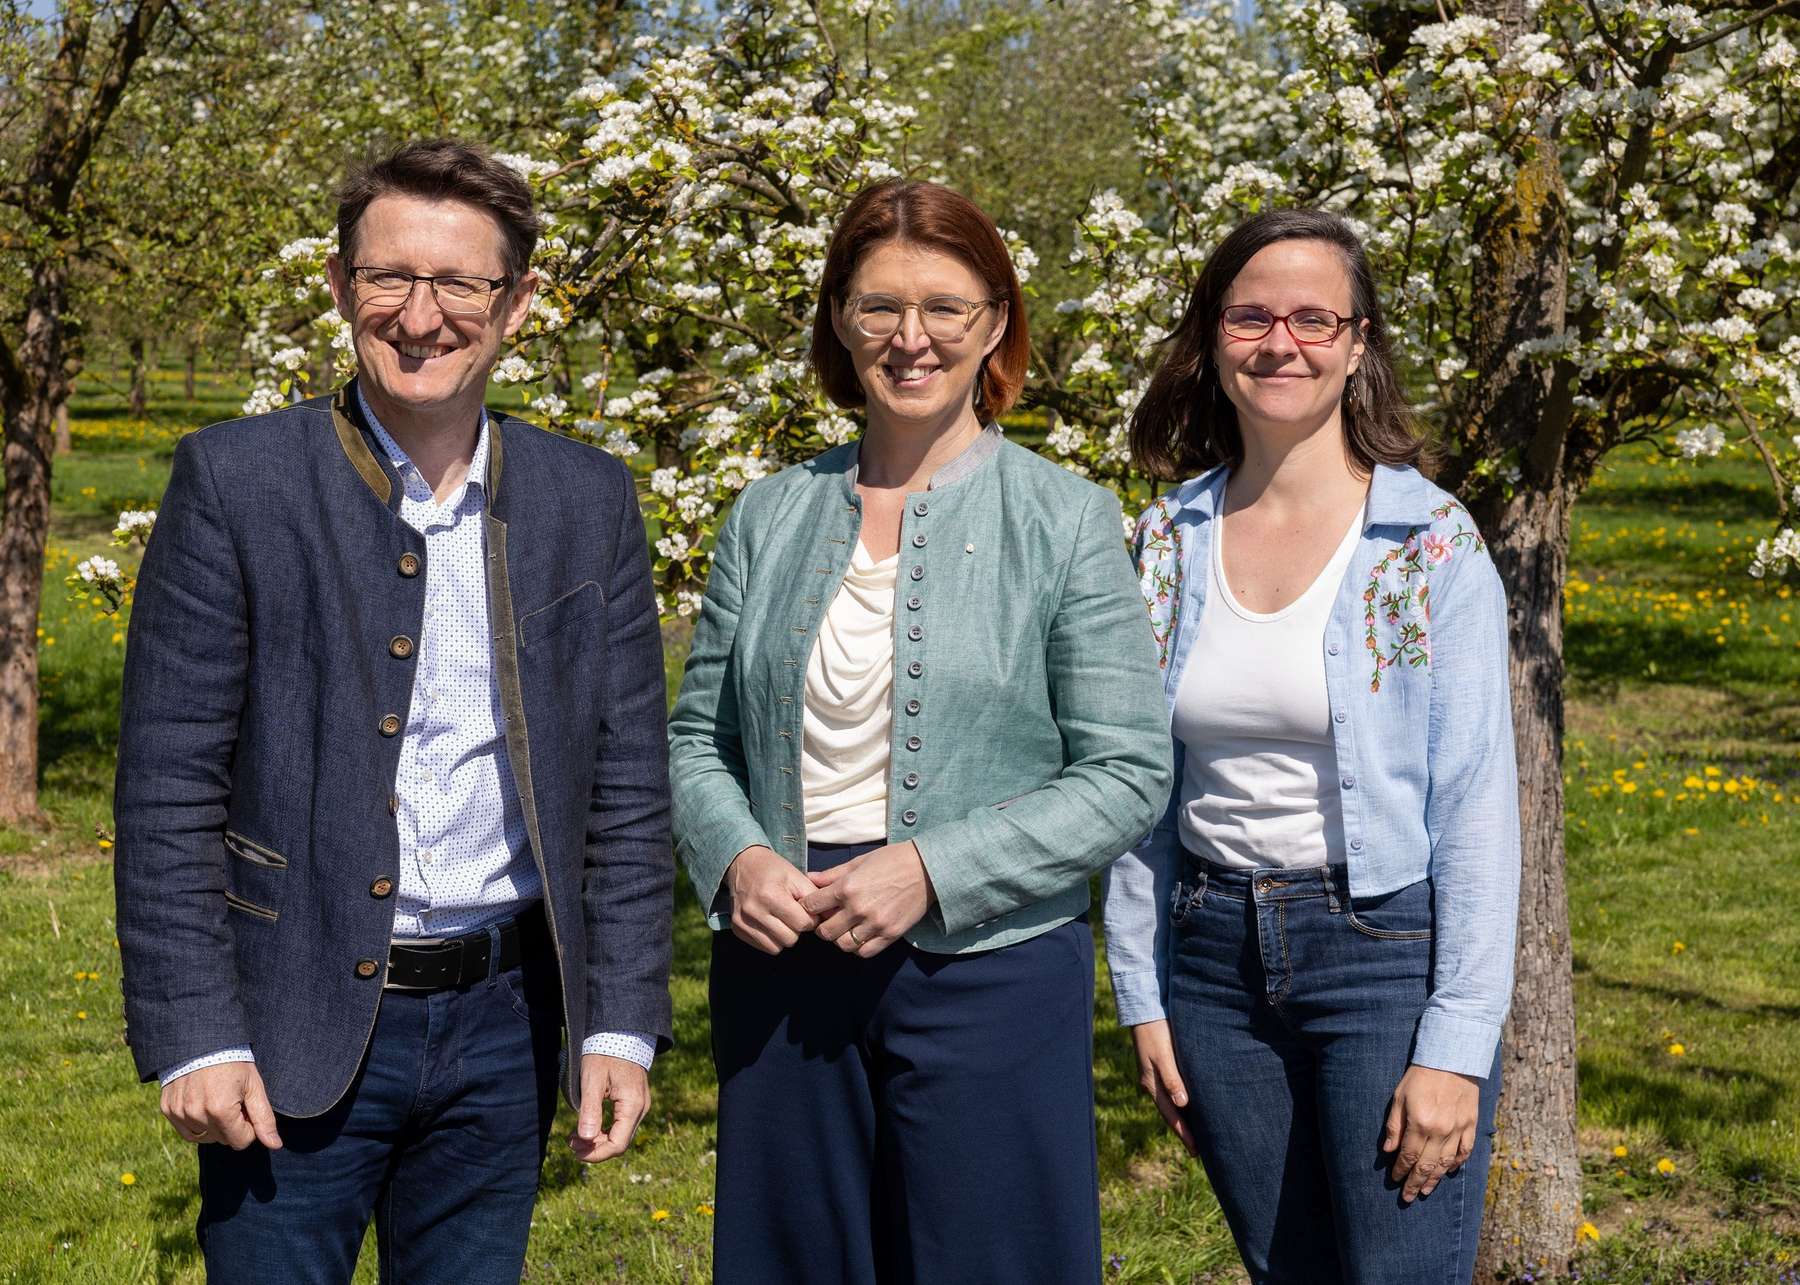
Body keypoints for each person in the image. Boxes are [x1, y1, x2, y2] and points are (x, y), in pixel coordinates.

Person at [114, 139, 674, 1283]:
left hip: (504, 1029)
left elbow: (625, 787)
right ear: (340, 285)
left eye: (459, 282)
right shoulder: (236, 482)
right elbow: (168, 781)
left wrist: (619, 1020)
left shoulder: (588, 498)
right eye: (389, 278)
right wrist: (196, 1032)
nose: (421, 317)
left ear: (516, 301)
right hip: (289, 1022)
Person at [667, 179, 1171, 1285]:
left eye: (944, 306)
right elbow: (696, 738)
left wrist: (933, 870)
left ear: (994, 323)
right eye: (879, 306)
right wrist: (737, 856)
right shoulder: (767, 513)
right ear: (839, 322)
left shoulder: (1066, 519)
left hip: (989, 967)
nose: (912, 338)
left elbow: (1129, 770)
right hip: (781, 955)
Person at [1100, 208, 1521, 1285]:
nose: (1279, 343)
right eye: (1250, 316)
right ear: (1212, 337)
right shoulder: (1164, 539)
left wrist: (1456, 1045)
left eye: (1312, 319)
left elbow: (1477, 806)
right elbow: (1137, 788)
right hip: (1211, 963)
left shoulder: (1429, 545)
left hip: (1383, 956)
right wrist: (1144, 992)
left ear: (1357, 342)